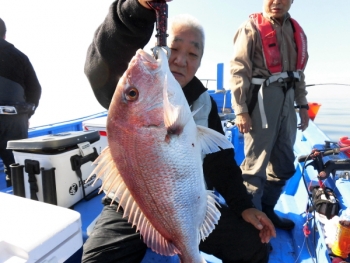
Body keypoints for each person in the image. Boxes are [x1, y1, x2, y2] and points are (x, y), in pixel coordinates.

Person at [82, 1, 275, 262]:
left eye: (193, 54)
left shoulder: (203, 102)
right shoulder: (133, 84)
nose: (181, 60)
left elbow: (221, 164)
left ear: (199, 62)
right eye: (173, 48)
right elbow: (99, 65)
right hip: (131, 202)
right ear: (160, 46)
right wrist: (137, 9)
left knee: (253, 245)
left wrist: (244, 206)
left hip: (188, 206)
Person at [229, 0, 309, 230]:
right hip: (260, 102)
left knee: (284, 165)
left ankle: (265, 210)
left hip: (288, 102)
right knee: (254, 168)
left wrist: (302, 105)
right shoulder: (250, 27)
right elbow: (238, 70)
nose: (278, 2)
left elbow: (300, 73)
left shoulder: (296, 31)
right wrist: (241, 110)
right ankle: (252, 230)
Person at [0, 18, 42, 187]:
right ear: (5, 34)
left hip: (15, 120)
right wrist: (27, 115)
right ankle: (16, 189)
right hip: (15, 121)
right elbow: (35, 89)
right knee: (16, 168)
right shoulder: (20, 57)